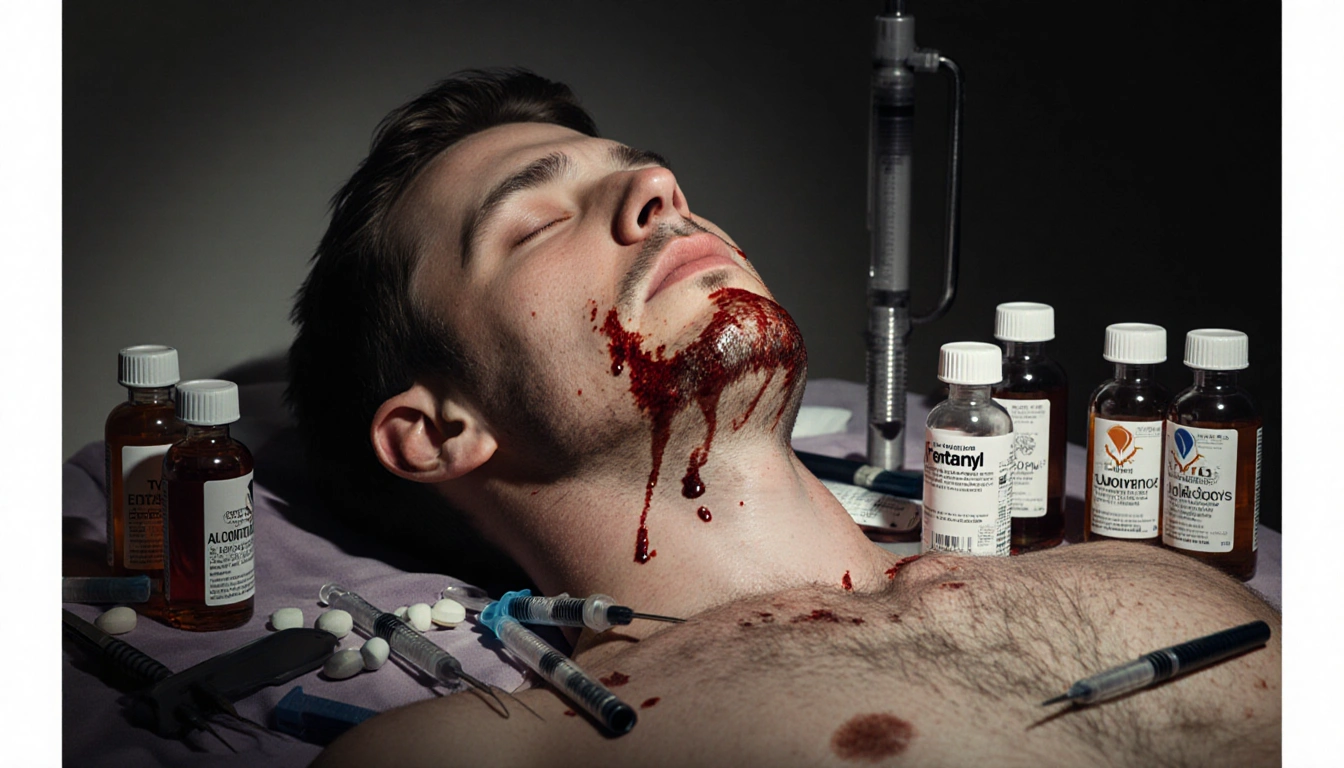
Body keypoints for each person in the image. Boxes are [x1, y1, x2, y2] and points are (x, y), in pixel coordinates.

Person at [289, 69, 1280, 767]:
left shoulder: (1148, 576)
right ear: (439, 431)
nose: (658, 189)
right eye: (538, 221)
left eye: (639, 171)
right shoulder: (485, 753)